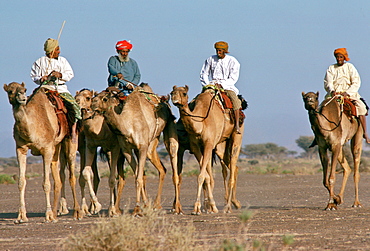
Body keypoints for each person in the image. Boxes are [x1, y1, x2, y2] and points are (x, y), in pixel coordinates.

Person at [30, 38, 81, 143]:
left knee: (75, 107)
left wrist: (60, 75)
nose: (59, 51)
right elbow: (33, 76)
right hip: (45, 88)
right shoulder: (39, 62)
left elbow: (70, 74)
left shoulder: (63, 61)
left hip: (60, 88)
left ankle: (73, 132)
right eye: (57, 49)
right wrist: (41, 78)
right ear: (51, 51)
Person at [324, 48, 370, 143]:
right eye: (337, 57)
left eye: (341, 57)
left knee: (361, 108)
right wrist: (332, 91)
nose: (339, 59)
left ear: (344, 58)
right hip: (334, 95)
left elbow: (356, 82)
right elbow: (328, 82)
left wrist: (347, 92)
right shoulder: (331, 68)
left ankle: (365, 133)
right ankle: (318, 135)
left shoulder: (350, 67)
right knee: (321, 108)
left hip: (349, 94)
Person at [200, 41, 242, 133]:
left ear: (225, 51)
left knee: (235, 101)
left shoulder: (233, 61)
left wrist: (222, 85)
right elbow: (204, 73)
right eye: (217, 50)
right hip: (211, 86)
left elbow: (233, 78)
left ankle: (237, 125)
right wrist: (208, 85)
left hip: (227, 86)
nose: (218, 52)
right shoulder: (210, 59)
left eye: (220, 51)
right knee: (197, 100)